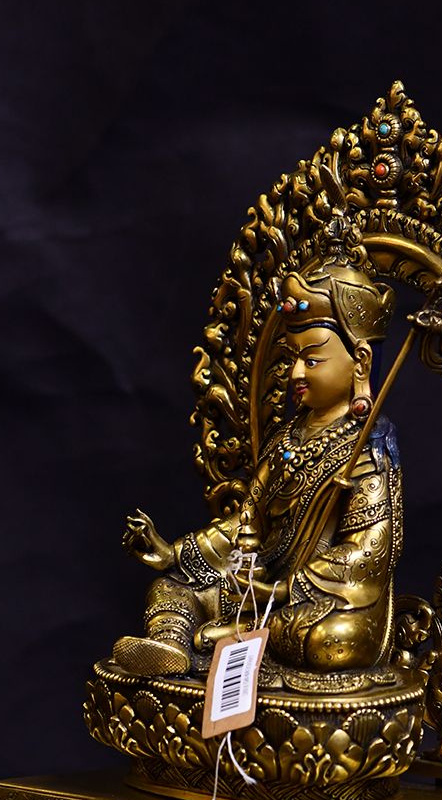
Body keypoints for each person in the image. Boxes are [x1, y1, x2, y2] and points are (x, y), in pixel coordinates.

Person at [112, 255, 402, 676]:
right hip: (260, 582)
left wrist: (283, 591)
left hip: (321, 600)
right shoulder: (287, 438)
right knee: (170, 586)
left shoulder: (370, 449)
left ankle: (235, 635)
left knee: (333, 640)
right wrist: (173, 552)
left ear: (360, 361)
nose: (297, 372)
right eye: (293, 357)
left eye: (312, 360)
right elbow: (250, 519)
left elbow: (366, 555)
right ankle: (171, 645)